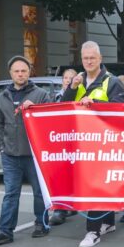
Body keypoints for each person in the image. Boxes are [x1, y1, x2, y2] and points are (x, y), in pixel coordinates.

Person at [60, 41, 124, 247]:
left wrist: (96, 104)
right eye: (85, 58)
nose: (88, 61)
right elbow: (64, 107)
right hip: (83, 142)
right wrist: (72, 88)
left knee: (95, 186)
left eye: (92, 58)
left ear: (100, 59)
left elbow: (121, 110)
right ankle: (108, 222)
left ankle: (93, 231)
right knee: (98, 185)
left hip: (105, 143)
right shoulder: (78, 81)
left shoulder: (111, 81)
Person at [0, 56, 52, 246]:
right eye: (16, 71)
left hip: (34, 154)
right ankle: (5, 230)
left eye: (23, 70)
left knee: (39, 192)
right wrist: (1, 146)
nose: (20, 74)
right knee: (11, 193)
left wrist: (36, 108)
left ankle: (42, 223)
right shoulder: (2, 97)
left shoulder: (40, 95)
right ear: (11, 73)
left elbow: (50, 119)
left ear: (29, 72)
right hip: (10, 154)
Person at [49, 69, 81, 226]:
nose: (68, 80)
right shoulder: (54, 96)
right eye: (66, 78)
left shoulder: (80, 93)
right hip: (60, 140)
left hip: (77, 139)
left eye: (72, 77)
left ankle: (73, 204)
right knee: (61, 173)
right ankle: (59, 210)